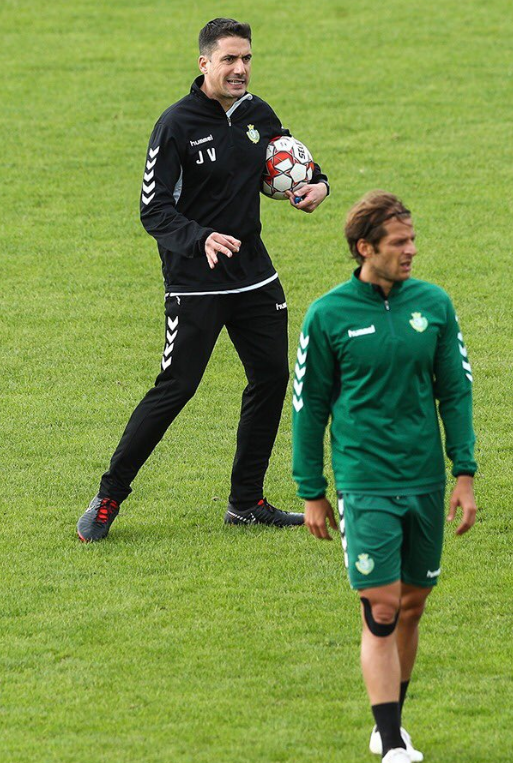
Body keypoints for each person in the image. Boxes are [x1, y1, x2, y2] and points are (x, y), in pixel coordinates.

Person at [77, 18, 329, 541]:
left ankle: (246, 502)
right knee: (176, 388)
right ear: (204, 64)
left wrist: (319, 185)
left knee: (272, 378)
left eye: (247, 58)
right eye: (229, 59)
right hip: (195, 282)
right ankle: (108, 498)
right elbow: (153, 209)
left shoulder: (258, 114)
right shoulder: (176, 124)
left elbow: (291, 159)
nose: (240, 69)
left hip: (255, 277)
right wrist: (201, 239)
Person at [292, 191, 477, 763]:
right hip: (365, 482)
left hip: (424, 479)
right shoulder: (328, 316)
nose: (411, 251)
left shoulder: (435, 305)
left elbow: (456, 391)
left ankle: (388, 719)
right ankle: (393, 745)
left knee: (414, 607)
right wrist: (311, 489)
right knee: (381, 606)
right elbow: (309, 406)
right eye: (398, 243)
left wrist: (464, 473)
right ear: (363, 248)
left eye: (413, 239)